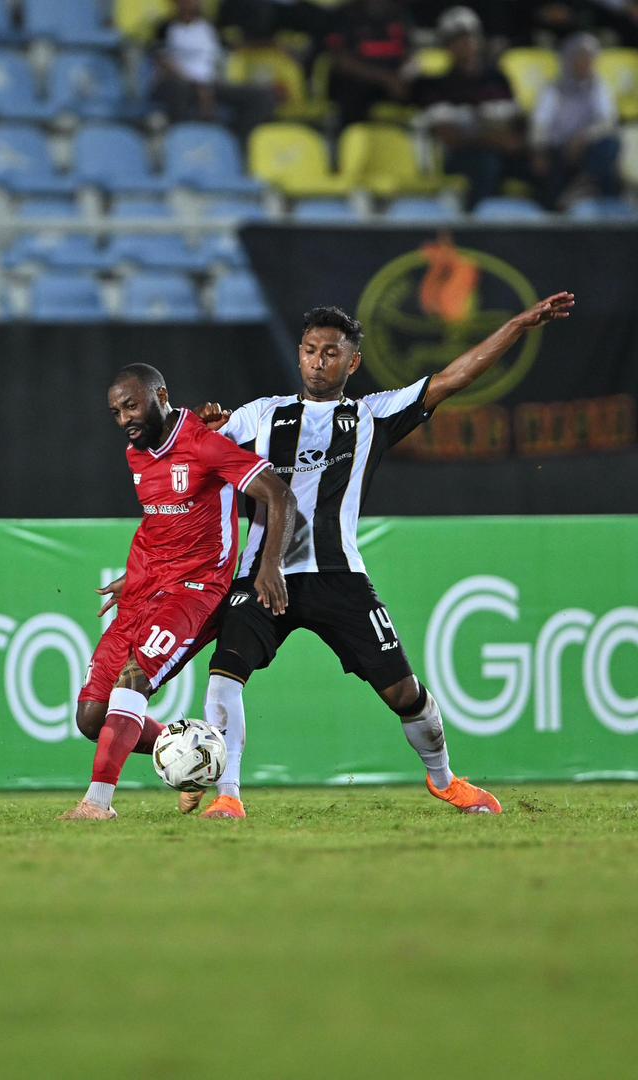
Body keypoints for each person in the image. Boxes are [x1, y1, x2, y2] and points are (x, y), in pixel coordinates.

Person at [177, 292, 574, 819]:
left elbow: (454, 378)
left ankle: (444, 780)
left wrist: (517, 324)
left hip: (339, 576)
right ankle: (228, 796)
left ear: (352, 362)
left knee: (404, 692)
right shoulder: (258, 416)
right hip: (263, 574)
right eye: (311, 350)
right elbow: (187, 463)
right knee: (224, 674)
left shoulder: (373, 415)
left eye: (332, 353)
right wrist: (202, 429)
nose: (319, 362)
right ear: (299, 354)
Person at [61, 363, 296, 820]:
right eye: (116, 412)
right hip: (145, 587)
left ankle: (97, 804)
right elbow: (162, 519)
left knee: (135, 678)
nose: (124, 419)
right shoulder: (136, 453)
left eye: (131, 406)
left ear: (161, 396)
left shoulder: (205, 443)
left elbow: (279, 494)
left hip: (195, 590)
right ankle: (192, 755)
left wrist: (271, 564)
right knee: (91, 717)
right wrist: (134, 577)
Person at [404, 6, 528, 209]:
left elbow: (516, 124)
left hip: (503, 152)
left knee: (538, 164)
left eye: (470, 37)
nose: (467, 43)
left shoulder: (497, 80)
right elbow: (449, 137)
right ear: (447, 46)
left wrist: (511, 140)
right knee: (487, 164)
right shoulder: (435, 85)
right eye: (458, 39)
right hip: (460, 157)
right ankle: (477, 223)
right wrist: (491, 138)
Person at [152, 0, 275, 138]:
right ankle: (180, 138)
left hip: (212, 83)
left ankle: (236, 140)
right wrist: (197, 84)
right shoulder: (165, 27)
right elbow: (163, 61)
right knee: (179, 89)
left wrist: (213, 82)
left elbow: (225, 55)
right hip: (179, 82)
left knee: (262, 96)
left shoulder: (211, 27)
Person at [531, 33, 622, 210]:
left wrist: (583, 138)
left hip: (586, 150)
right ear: (569, 59)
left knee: (610, 145)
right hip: (558, 150)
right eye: (580, 57)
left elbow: (608, 121)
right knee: (547, 182)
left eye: (589, 58)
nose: (585, 63)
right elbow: (539, 123)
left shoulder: (598, 86)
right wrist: (539, 150)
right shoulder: (554, 88)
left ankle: (585, 185)